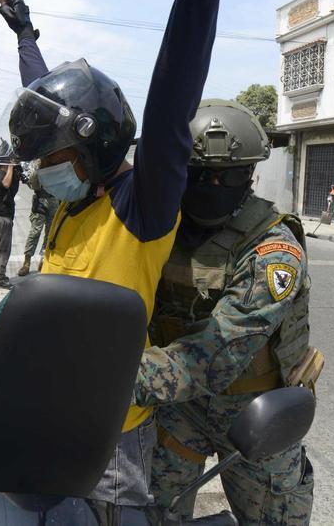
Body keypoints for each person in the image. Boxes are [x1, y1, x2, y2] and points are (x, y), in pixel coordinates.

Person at [0, 0, 246, 505]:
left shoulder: (140, 206)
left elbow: (172, 101)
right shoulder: (78, 194)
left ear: (96, 150)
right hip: (40, 413)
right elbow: (46, 108)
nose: (42, 173)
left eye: (52, 159)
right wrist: (25, 35)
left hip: (109, 444)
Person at [135, 100, 316, 523]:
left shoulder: (274, 249)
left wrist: (115, 380)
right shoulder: (162, 230)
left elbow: (216, 357)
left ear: (250, 175)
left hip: (256, 411)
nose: (213, 185)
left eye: (229, 176)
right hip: (178, 409)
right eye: (200, 176)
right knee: (150, 515)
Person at [18, 161, 59, 277]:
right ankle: (27, 262)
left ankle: (43, 260)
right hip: (41, 198)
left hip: (54, 200)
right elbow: (32, 183)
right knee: (35, 231)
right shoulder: (37, 162)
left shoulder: (57, 160)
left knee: (50, 232)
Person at [0, 162, 21, 288]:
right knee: (2, 248)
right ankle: (0, 278)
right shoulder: (2, 174)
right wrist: (11, 166)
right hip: (2, 217)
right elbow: (6, 184)